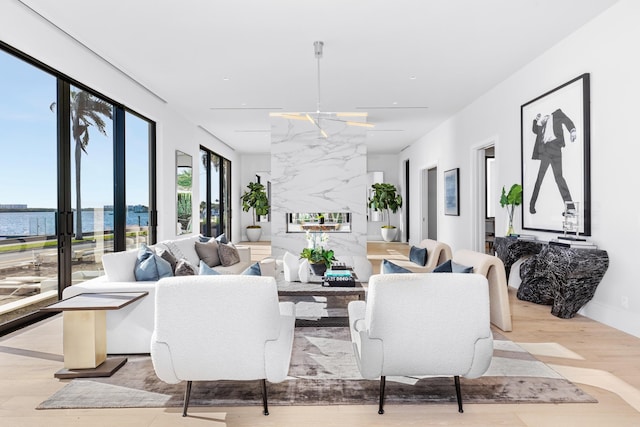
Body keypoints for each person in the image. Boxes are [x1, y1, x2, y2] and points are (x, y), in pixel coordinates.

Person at [528, 108, 577, 214]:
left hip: (555, 148)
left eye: (545, 117)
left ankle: (571, 208)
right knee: (539, 179)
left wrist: (572, 131)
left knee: (559, 178)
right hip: (545, 150)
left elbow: (567, 120)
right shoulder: (543, 125)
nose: (544, 118)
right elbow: (535, 130)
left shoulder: (557, 114)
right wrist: (536, 120)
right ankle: (531, 205)